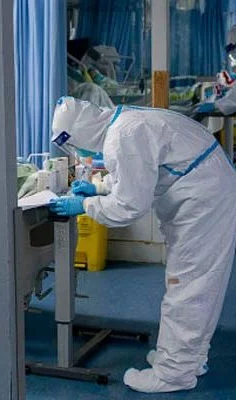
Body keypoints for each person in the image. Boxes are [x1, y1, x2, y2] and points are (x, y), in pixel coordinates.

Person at [49, 97, 236, 393]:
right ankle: (189, 360)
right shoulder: (123, 123)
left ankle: (173, 374)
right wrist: (99, 187)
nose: (77, 151)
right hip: (207, 191)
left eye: (71, 143)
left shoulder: (122, 136)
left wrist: (85, 205)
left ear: (80, 132)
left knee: (187, 285)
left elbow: (129, 206)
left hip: (204, 201)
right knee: (198, 285)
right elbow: (139, 171)